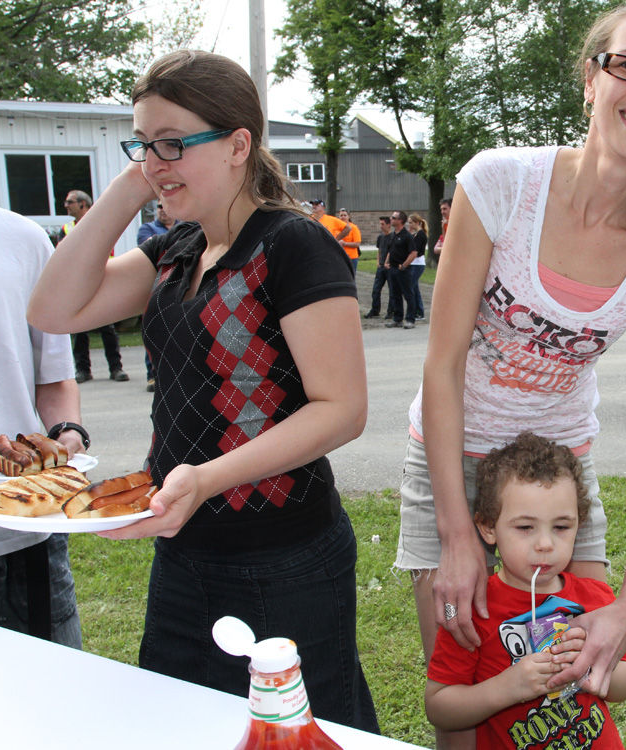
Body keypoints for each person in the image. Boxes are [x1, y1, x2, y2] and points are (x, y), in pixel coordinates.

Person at [27, 49, 378, 733]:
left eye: (172, 144)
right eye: (143, 144)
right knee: (180, 728)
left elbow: (343, 409)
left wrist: (206, 478)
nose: (154, 162)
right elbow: (51, 310)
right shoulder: (176, 248)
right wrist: (129, 191)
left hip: (283, 556)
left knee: (296, 735)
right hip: (184, 549)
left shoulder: (292, 243)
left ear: (238, 144)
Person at [395, 2, 626, 746]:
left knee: (579, 688)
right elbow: (439, 368)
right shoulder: (500, 183)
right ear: (590, 79)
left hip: (562, 476)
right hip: (451, 464)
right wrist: (457, 533)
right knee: (469, 688)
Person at [425, 432, 626, 749]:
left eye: (562, 527)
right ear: (488, 527)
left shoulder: (595, 599)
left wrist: (587, 662)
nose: (546, 544)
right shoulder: (471, 610)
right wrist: (506, 688)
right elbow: (439, 707)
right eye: (525, 527)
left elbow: (625, 685)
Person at [0, 199, 87, 650]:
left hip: (19, 530)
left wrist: (68, 434)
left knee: (54, 706)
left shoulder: (22, 239)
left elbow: (54, 380)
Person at [60, 190, 128, 384]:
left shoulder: (100, 224)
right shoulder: (66, 229)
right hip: (76, 286)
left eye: (69, 202)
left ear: (83, 204)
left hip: (101, 283)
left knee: (107, 328)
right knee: (79, 329)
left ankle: (116, 368)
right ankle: (82, 370)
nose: (66, 205)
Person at [137, 201, 178, 392]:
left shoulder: (185, 226)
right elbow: (155, 252)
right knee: (153, 330)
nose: (162, 209)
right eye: (159, 206)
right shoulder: (147, 228)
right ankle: (152, 375)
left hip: (179, 288)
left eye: (165, 205)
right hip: (156, 288)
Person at [383, 210, 418, 330]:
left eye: (393, 217)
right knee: (395, 294)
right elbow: (390, 250)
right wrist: (387, 262)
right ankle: (397, 318)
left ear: (400, 220)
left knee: (408, 294)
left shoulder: (407, 236)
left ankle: (410, 319)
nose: (391, 219)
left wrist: (404, 265)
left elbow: (413, 253)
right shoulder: (393, 235)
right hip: (392, 268)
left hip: (402, 270)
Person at [365, 216, 395, 319]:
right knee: (376, 289)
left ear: (388, 224)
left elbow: (391, 252)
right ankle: (375, 309)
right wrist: (378, 262)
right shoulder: (380, 237)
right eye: (380, 224)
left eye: (383, 224)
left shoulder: (393, 237)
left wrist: (387, 262)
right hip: (381, 267)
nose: (381, 226)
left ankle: (391, 310)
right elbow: (379, 251)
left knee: (392, 290)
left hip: (389, 267)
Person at [408, 213, 428, 320]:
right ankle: (418, 311)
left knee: (411, 286)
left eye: (411, 222)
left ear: (416, 222)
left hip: (418, 263)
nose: (409, 225)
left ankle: (417, 311)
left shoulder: (421, 235)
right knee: (414, 287)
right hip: (414, 263)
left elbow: (417, 250)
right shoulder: (415, 234)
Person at [336, 208, 362, 274]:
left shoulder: (353, 228)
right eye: (341, 215)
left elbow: (357, 244)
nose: (343, 217)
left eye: (345, 215)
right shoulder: (336, 228)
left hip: (351, 257)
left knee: (351, 276)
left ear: (348, 216)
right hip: (339, 257)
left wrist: (345, 243)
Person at [434, 197, 451, 262]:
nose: (442, 212)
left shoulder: (456, 222)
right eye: (441, 209)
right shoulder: (445, 223)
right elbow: (445, 240)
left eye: (444, 209)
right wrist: (443, 227)